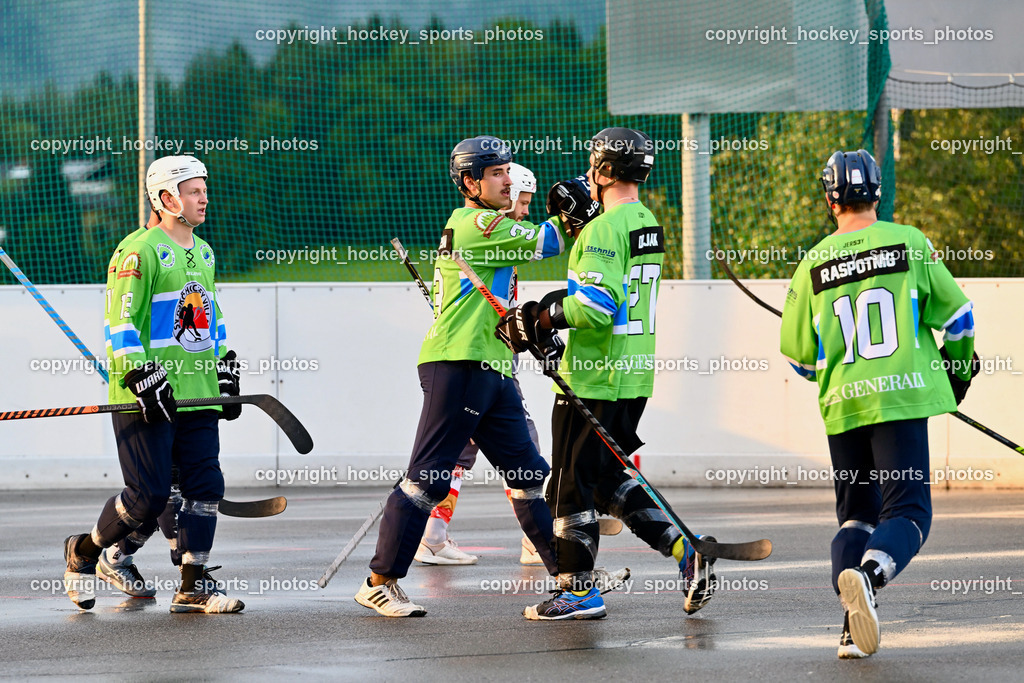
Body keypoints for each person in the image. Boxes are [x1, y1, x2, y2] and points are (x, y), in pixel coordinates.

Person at [355, 136, 607, 617]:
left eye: (508, 171)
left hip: (493, 366)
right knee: (426, 480)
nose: (508, 180)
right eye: (496, 173)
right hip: (458, 364)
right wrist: (585, 200)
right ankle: (380, 581)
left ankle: (572, 583)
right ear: (470, 182)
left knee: (529, 476)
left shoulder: (492, 223)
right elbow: (548, 241)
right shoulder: (473, 222)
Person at [496, 127, 716, 621]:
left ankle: (578, 592)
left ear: (603, 171)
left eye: (593, 166)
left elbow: (596, 307)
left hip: (596, 376)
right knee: (605, 478)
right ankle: (687, 553)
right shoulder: (647, 220)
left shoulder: (603, 228)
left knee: (571, 486)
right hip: (633, 375)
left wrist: (543, 315)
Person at [780, 149, 978, 658]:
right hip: (901, 397)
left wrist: (837, 373)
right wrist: (957, 373)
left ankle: (851, 628)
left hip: (844, 405)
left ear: (830, 200)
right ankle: (869, 577)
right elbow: (958, 320)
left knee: (856, 519)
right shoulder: (909, 242)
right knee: (909, 513)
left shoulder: (812, 262)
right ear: (877, 192)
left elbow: (800, 359)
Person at [63, 154, 244, 614]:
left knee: (206, 487)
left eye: (204, 189)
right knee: (149, 498)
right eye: (193, 191)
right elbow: (119, 326)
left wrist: (224, 367)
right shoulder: (137, 251)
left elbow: (211, 320)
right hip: (146, 398)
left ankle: (193, 587)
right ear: (166, 198)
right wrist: (142, 377)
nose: (204, 197)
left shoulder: (202, 250)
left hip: (195, 393)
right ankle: (83, 554)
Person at [415, 162, 543, 566]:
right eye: (520, 201)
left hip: (487, 358)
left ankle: (433, 535)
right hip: (477, 362)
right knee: (524, 445)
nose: (523, 211)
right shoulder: (484, 229)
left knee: (458, 455)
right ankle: (536, 535)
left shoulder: (491, 240)